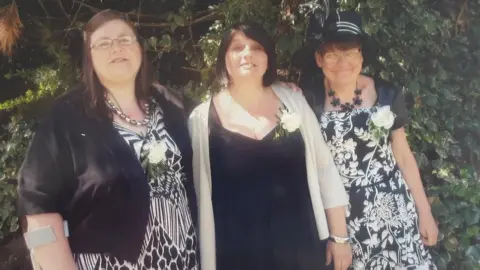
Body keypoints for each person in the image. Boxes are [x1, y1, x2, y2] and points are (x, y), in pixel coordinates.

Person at [17, 10, 198, 270]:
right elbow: (38, 206)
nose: (116, 48)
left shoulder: (171, 105)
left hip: (184, 260)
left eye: (125, 39)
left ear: (139, 49)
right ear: (89, 57)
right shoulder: (66, 117)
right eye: (103, 43)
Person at [189, 21, 353, 270]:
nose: (247, 54)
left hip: (302, 246)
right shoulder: (200, 120)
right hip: (236, 253)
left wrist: (340, 237)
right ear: (224, 59)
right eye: (237, 48)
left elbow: (324, 168)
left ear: (268, 57)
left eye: (257, 47)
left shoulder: (293, 101)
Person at [301, 10, 438, 269]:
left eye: (351, 52)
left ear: (362, 56)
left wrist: (425, 212)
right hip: (341, 215)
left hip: (394, 207)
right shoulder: (308, 99)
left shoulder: (386, 93)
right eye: (332, 54)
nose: (343, 62)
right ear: (319, 59)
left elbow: (404, 157)